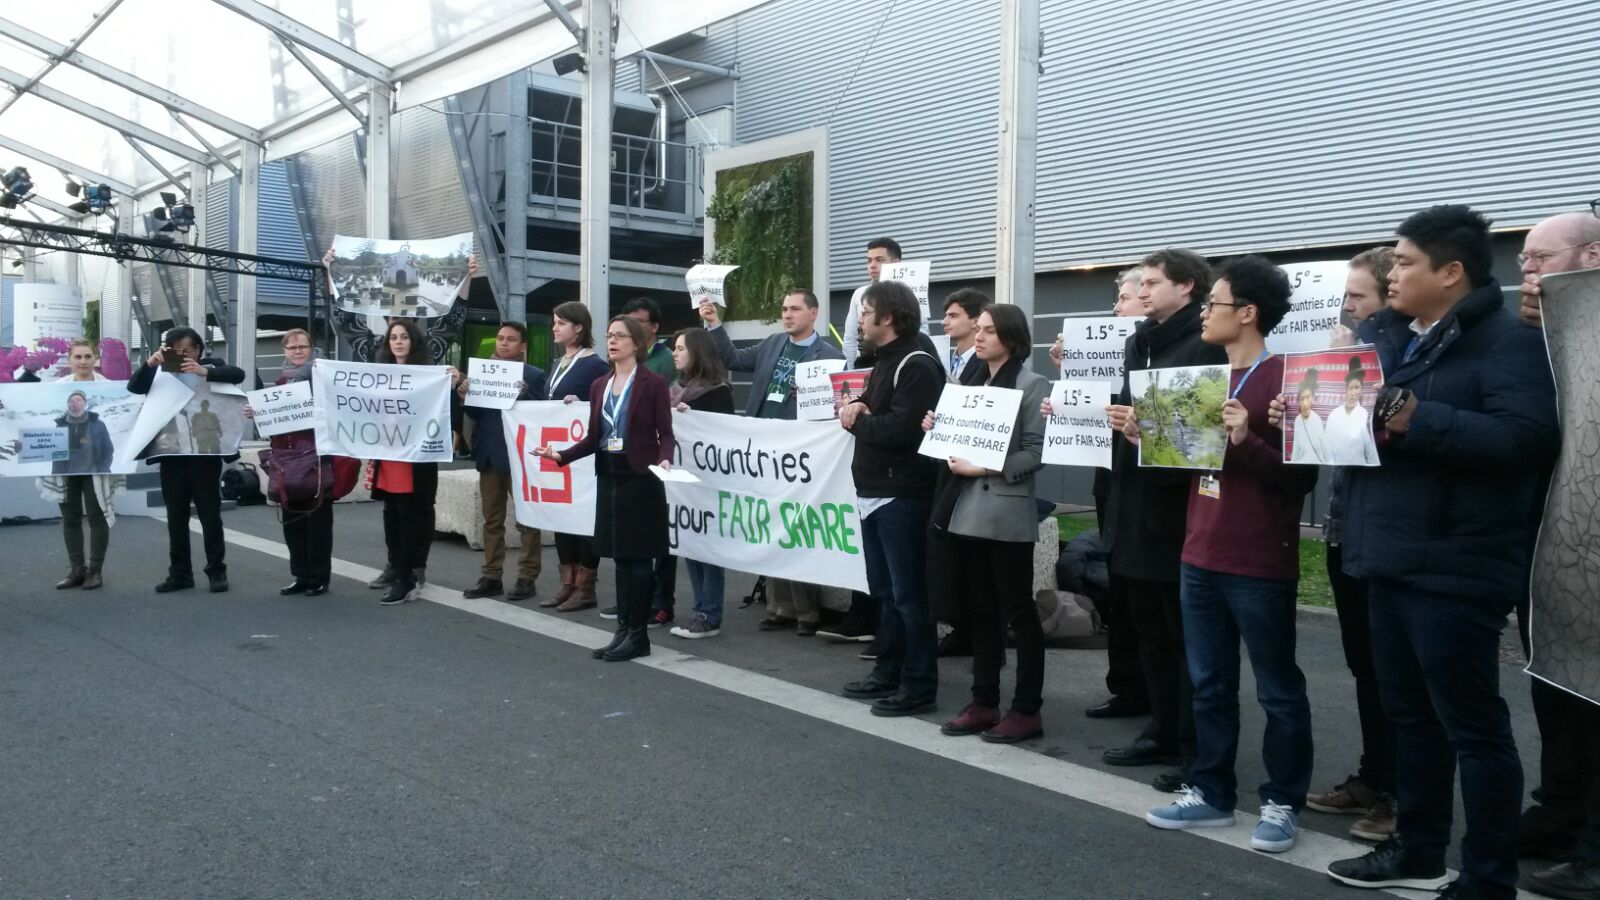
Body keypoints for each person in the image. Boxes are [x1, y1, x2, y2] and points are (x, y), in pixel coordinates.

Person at [1326, 205, 1559, 900]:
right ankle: (1418, 850)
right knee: (1411, 718)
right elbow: (1369, 423)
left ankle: (1487, 878)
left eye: (1404, 263)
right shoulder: (1395, 340)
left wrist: (1414, 416)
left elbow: (1525, 440)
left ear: (1451, 272)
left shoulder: (1509, 343)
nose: (1391, 274)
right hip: (1387, 551)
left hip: (1456, 564)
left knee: (1474, 729)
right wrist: (1307, 417)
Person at [1142, 256, 1315, 854]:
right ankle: (1210, 790)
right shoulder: (1206, 377)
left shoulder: (1285, 380)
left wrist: (1246, 440)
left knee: (1277, 689)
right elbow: (1188, 465)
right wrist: (1150, 436)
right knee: (1209, 683)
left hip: (1259, 559)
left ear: (1246, 313)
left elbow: (1301, 478)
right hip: (1200, 551)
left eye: (1213, 304)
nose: (1204, 315)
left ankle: (1282, 801)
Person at [1099, 251, 1228, 792]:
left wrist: (1143, 426)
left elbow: (1198, 436)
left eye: (1153, 282)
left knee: (1179, 635)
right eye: (1142, 283)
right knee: (1149, 626)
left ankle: (1188, 739)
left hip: (1175, 510)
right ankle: (1162, 725)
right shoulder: (1140, 342)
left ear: (1188, 286)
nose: (1143, 291)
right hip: (1132, 498)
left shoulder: (1203, 344)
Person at [1299, 246, 1400, 846]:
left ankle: (1399, 796)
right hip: (1346, 530)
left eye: (1357, 296)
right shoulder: (1352, 354)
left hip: (1387, 537)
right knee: (1365, 666)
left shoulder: (1397, 355)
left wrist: (1352, 361)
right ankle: (1373, 776)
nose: (1347, 307)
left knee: (1397, 675)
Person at [1513, 209, 1600, 900]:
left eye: (1540, 259)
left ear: (1591, 257)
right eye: (1523, 260)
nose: (1527, 272)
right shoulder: (1531, 337)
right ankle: (1561, 813)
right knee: (1558, 687)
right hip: (1547, 543)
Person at [922, 304, 1049, 741]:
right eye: (978, 329)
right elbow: (954, 444)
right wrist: (937, 428)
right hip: (966, 512)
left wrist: (984, 467)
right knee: (979, 611)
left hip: (1006, 515)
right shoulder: (967, 385)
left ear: (1011, 338)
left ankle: (1027, 709)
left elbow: (1035, 453)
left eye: (989, 331)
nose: (978, 336)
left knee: (1018, 611)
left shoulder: (1032, 384)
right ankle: (984, 701)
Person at [699, 289, 845, 637]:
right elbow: (732, 358)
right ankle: (780, 607)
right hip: (764, 451)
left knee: (798, 529)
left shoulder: (831, 356)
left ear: (813, 313)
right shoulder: (772, 344)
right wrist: (714, 324)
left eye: (795, 309)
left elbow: (837, 406)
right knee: (771, 526)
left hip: (800, 454)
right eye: (784, 309)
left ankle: (807, 611)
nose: (787, 314)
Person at [535, 315, 675, 662]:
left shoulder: (653, 383)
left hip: (641, 479)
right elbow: (594, 437)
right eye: (610, 336)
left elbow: (666, 433)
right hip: (610, 478)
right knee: (621, 561)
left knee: (638, 560)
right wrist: (561, 455)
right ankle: (623, 631)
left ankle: (639, 636)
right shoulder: (600, 385)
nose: (612, 341)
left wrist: (665, 460)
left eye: (620, 336)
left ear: (636, 343)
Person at [838, 279, 945, 716]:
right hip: (874, 491)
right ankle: (889, 670)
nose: (859, 321)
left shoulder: (917, 364)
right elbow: (873, 404)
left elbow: (902, 429)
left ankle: (918, 685)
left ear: (888, 317)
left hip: (903, 494)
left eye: (865, 313)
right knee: (884, 592)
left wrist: (856, 421)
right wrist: (859, 405)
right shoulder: (884, 360)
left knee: (909, 596)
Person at [1065, 266, 1152, 721]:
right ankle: (1126, 686)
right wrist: (1069, 376)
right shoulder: (1117, 350)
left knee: (1144, 593)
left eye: (1124, 298)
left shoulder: (1155, 349)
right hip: (1111, 477)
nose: (1116, 307)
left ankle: (1153, 691)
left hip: (1146, 485)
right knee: (1119, 585)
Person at [128, 327, 246, 594]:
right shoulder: (159, 372)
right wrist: (150, 364)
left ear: (198, 350)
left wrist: (204, 371)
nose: (181, 356)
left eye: (186, 350)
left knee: (210, 515)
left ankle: (216, 571)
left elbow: (238, 374)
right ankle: (180, 573)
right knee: (176, 517)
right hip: (171, 455)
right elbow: (134, 387)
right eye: (175, 350)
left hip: (205, 455)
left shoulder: (211, 366)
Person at [369, 319, 460, 606]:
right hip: (388, 454)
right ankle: (396, 565)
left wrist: (453, 384)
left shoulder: (430, 374)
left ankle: (407, 575)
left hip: (415, 458)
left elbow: (446, 414)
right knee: (391, 513)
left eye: (404, 337)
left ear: (414, 342)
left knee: (410, 514)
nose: (398, 342)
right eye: (393, 337)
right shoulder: (379, 373)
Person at [457, 322, 549, 602]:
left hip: (520, 457)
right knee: (491, 521)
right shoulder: (481, 373)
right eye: (500, 338)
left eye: (511, 339)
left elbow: (543, 414)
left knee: (527, 520)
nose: (504, 343)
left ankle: (527, 576)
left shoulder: (534, 375)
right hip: (489, 454)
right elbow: (476, 414)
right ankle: (491, 576)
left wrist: (526, 394)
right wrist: (465, 395)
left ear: (523, 346)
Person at [245, 329, 333, 597]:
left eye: (302, 347)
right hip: (286, 457)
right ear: (284, 351)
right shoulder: (282, 381)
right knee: (292, 520)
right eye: (292, 347)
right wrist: (257, 413)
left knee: (317, 521)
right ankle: (301, 575)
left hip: (314, 456)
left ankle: (319, 577)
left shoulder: (324, 377)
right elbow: (277, 419)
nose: (297, 351)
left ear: (311, 349)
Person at [929, 287, 992, 659]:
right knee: (949, 553)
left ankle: (977, 636)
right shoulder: (945, 360)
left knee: (971, 559)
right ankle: (960, 627)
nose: (945, 322)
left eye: (953, 316)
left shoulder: (984, 364)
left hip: (976, 470)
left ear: (974, 318)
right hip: (947, 461)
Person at [540, 301, 611, 612]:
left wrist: (582, 403)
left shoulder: (594, 365)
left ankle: (585, 587)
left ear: (578, 327)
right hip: (560, 452)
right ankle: (567, 583)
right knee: (562, 517)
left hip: (582, 456)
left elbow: (605, 404)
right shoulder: (558, 364)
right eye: (554, 322)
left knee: (583, 518)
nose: (554, 328)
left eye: (561, 323)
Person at [665, 328, 735, 639]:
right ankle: (699, 609)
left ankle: (710, 614)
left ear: (698, 352)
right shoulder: (675, 390)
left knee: (708, 549)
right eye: (674, 348)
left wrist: (693, 419)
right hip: (683, 483)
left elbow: (723, 436)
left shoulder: (718, 392)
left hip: (709, 483)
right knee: (690, 545)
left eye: (681, 348)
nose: (675, 353)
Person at [41, 338, 123, 590]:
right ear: (70, 360)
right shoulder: (56, 390)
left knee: (97, 517)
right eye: (78, 356)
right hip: (65, 467)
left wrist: (105, 463)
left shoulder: (111, 388)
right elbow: (41, 419)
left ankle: (95, 571)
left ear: (96, 358)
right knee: (70, 518)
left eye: (88, 356)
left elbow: (116, 430)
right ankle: (77, 569)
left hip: (94, 468)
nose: (83, 361)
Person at [621, 296, 679, 626]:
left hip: (658, 460)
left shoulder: (665, 362)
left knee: (660, 537)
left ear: (654, 326)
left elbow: (669, 406)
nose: (631, 327)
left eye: (639, 322)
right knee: (633, 536)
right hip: (629, 464)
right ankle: (635, 599)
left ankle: (660, 601)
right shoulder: (625, 362)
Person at [842, 237, 904, 368]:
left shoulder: (910, 294)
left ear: (896, 263)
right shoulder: (859, 294)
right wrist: (849, 372)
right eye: (869, 260)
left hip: (901, 363)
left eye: (879, 260)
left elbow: (922, 331)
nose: (872, 265)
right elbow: (850, 338)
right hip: (865, 366)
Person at [1322, 358, 1379, 465]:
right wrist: (1333, 465)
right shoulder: (1334, 414)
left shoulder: (1364, 414)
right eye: (1351, 388)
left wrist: (1374, 465)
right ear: (1346, 390)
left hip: (1359, 468)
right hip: (1338, 468)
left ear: (1362, 389)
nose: (1353, 392)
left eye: (1357, 388)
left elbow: (1369, 446)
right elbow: (1327, 446)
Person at [1288, 370, 1327, 463]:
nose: (1305, 404)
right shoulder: (1297, 420)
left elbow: (1324, 447)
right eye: (1302, 399)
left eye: (1308, 397)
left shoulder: (1316, 419)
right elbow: (1296, 447)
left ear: (1312, 398)